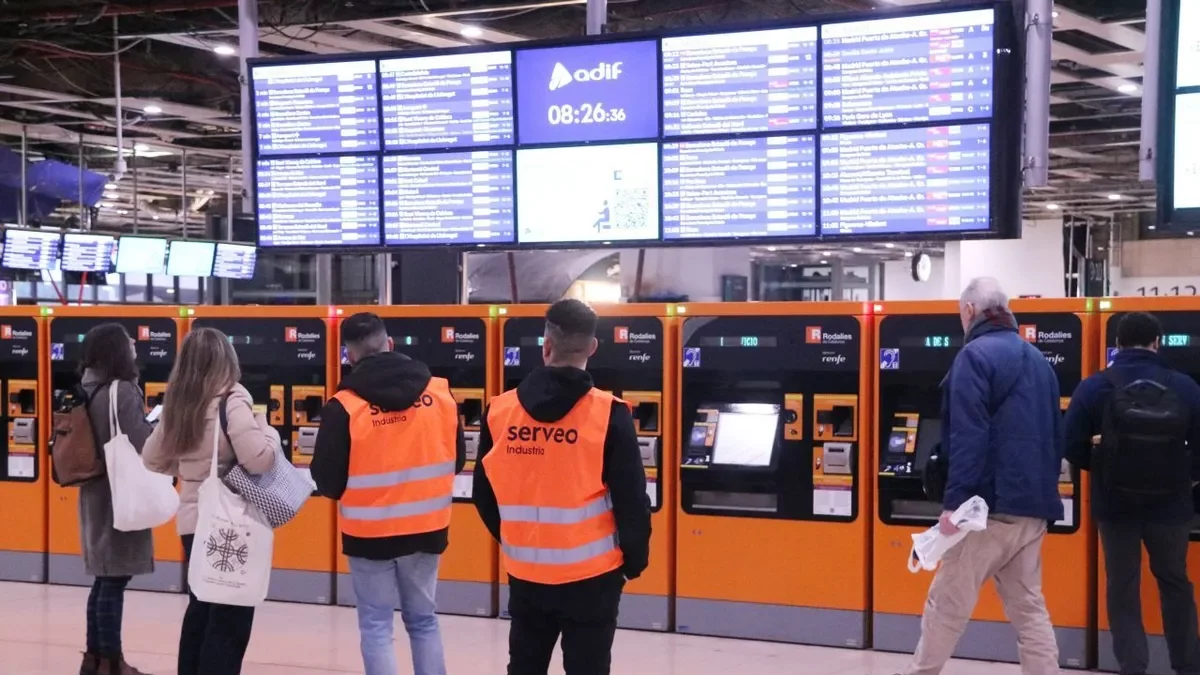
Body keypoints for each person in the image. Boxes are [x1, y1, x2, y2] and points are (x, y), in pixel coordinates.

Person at [473, 298, 651, 675]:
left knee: (525, 666)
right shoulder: (609, 413)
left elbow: (483, 494)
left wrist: (517, 541)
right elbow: (632, 499)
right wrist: (632, 563)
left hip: (526, 572)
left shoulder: (500, 411)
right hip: (592, 577)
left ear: (546, 345)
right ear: (592, 348)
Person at [901, 278, 1064, 675]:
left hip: (986, 509)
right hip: (1034, 509)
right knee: (1029, 608)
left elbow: (968, 436)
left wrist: (954, 506)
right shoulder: (1040, 362)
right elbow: (1055, 436)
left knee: (947, 604)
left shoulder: (975, 356)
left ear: (970, 311)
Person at [311, 312, 465, 675]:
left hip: (369, 536)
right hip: (427, 530)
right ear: (390, 344)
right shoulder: (439, 394)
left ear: (349, 355)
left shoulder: (344, 407)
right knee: (424, 620)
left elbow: (328, 482)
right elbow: (456, 460)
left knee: (377, 626)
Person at [1065, 311, 1200, 675]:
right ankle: (1187, 665)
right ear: (1156, 342)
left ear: (1117, 344)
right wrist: (1185, 478)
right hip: (1171, 505)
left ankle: (1133, 666)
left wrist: (1105, 465)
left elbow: (1071, 445)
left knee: (1122, 585)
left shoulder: (1095, 386)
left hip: (1116, 505)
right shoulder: (1185, 386)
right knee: (1174, 581)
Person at [142, 327, 279, 675]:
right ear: (226, 359)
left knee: (200, 607)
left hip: (192, 521)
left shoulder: (178, 401)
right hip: (230, 520)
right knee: (230, 616)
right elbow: (259, 460)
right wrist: (269, 431)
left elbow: (152, 458)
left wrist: (190, 471)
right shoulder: (232, 398)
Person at [76, 323, 157, 675]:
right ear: (117, 351)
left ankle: (94, 658)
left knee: (103, 577)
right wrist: (159, 426)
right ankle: (112, 662)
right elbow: (140, 441)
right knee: (114, 579)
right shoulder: (122, 390)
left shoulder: (88, 387)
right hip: (120, 493)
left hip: (95, 489)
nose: (134, 347)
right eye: (129, 342)